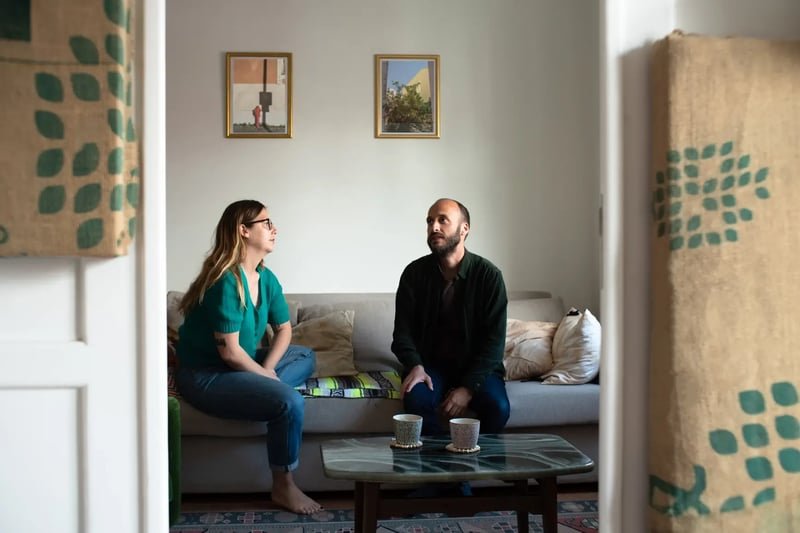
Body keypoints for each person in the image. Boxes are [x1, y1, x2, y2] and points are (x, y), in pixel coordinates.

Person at [175, 199, 322, 515]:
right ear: (243, 230)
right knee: (290, 402)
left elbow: (284, 330)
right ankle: (283, 486)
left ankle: (268, 394)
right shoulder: (225, 280)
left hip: (244, 362)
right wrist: (265, 378)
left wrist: (266, 370)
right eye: (266, 223)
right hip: (206, 374)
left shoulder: (266, 278)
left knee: (305, 355)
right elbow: (228, 351)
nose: (274, 229)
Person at [392, 198, 510, 437]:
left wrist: (468, 388)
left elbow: (494, 343)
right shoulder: (414, 274)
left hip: (477, 368)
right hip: (430, 367)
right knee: (417, 401)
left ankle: (471, 467)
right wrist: (415, 365)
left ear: (464, 229)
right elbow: (401, 333)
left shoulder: (488, 276)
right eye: (430, 221)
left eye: (442, 220)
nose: (434, 227)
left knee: (498, 407)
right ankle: (440, 471)